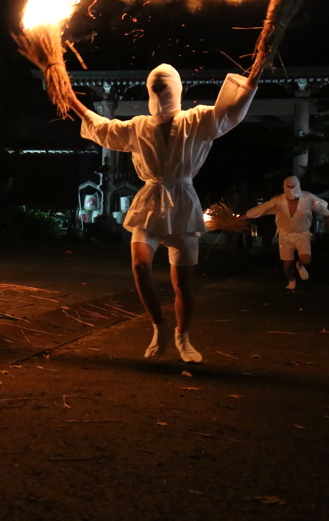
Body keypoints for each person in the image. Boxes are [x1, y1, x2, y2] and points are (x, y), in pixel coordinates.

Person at [71, 64, 257, 363]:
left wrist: (255, 75)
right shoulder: (138, 126)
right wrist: (70, 98)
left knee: (182, 284)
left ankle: (183, 336)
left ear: (176, 89)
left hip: (182, 202)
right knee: (140, 266)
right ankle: (159, 325)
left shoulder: (197, 119)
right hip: (150, 201)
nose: (160, 91)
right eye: (155, 86)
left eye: (164, 86)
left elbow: (230, 112)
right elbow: (102, 127)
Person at [246, 175, 329, 290]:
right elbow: (263, 208)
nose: (291, 189)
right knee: (287, 264)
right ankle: (291, 280)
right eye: (288, 187)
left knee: (306, 259)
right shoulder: (278, 200)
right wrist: (246, 215)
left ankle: (299, 265)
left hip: (302, 233)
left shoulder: (307, 197)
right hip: (285, 234)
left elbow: (319, 206)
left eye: (293, 187)